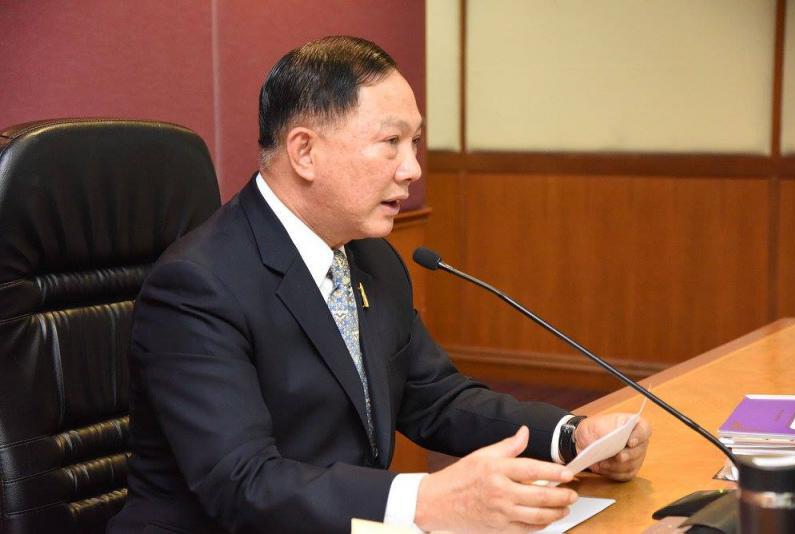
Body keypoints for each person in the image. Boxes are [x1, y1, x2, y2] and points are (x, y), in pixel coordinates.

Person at [108, 36, 651, 534]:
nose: (412, 169)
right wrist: (425, 500)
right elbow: (243, 482)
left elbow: (435, 398)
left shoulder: (370, 257)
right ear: (305, 152)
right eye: (391, 141)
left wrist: (570, 437)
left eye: (415, 142)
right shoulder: (197, 285)